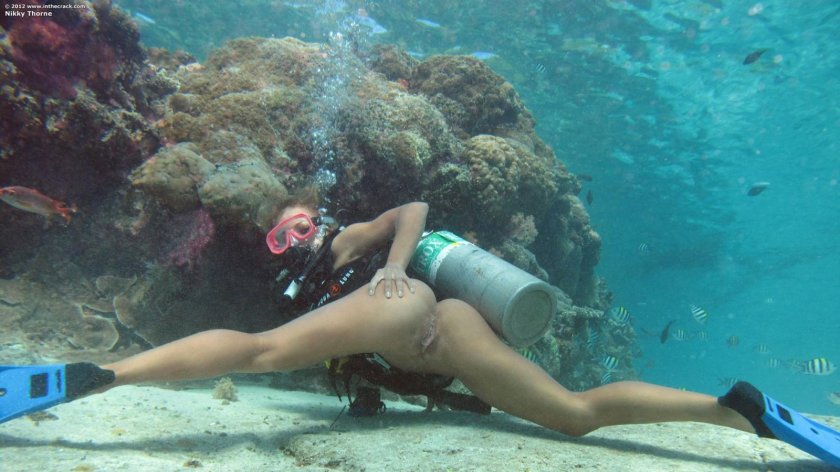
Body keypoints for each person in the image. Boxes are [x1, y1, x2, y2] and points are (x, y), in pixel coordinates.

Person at [1, 192, 839, 468]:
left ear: (318, 214)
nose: (294, 240)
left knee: (255, 352)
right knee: (573, 414)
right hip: (446, 327)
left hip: (406, 307)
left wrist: (395, 260)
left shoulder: (344, 240)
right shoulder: (313, 277)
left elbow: (414, 209)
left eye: (299, 222)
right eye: (278, 236)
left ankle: (97, 375)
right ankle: (735, 409)